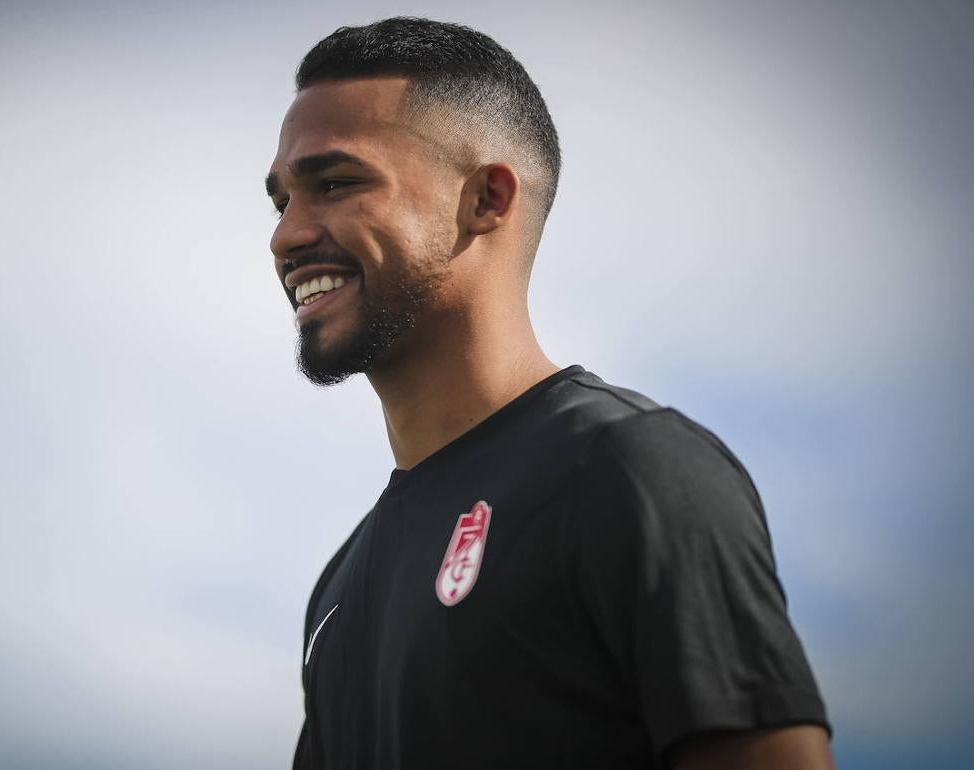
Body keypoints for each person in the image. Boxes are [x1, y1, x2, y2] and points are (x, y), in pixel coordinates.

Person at [264, 17, 833, 770]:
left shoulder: (628, 470)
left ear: (486, 199)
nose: (285, 236)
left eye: (336, 184)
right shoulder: (336, 594)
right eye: (282, 202)